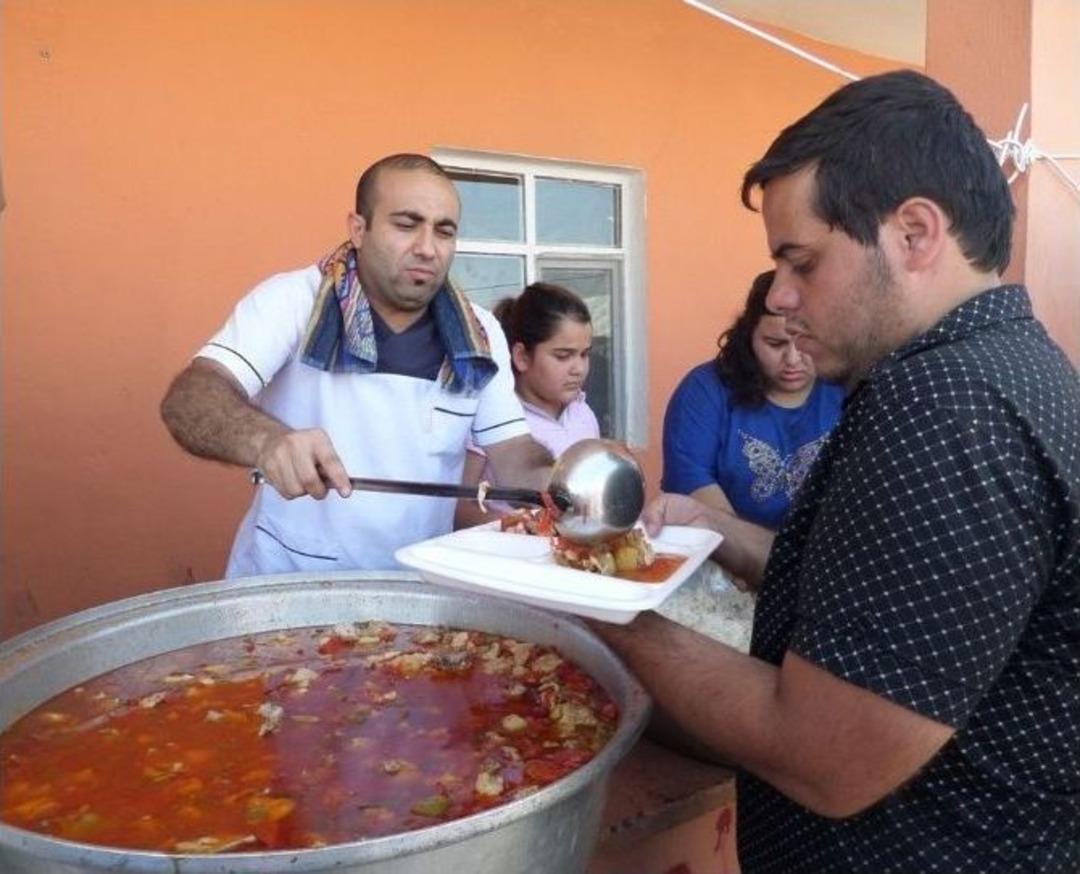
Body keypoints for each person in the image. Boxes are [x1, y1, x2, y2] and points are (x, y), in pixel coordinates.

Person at [591, 70, 1079, 873]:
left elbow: (826, 757)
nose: (781, 297)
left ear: (915, 233)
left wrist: (611, 614)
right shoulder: (1008, 367)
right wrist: (721, 532)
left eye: (802, 261)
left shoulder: (947, 403)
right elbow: (881, 604)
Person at [161, 153, 551, 576]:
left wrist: (561, 482)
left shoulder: (481, 331)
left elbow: (514, 454)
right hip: (289, 586)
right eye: (406, 224)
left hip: (420, 593)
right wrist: (267, 441)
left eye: (444, 231)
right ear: (359, 229)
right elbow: (191, 398)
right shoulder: (293, 301)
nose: (427, 248)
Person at [662, 269, 843, 530]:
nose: (793, 359)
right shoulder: (705, 390)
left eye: (806, 342)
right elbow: (691, 483)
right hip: (725, 554)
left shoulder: (847, 386)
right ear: (749, 337)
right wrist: (755, 557)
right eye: (774, 343)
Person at [455, 281, 599, 528]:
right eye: (563, 356)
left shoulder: (583, 414)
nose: (579, 368)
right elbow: (460, 510)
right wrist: (520, 526)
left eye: (584, 354)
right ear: (521, 356)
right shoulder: (494, 418)